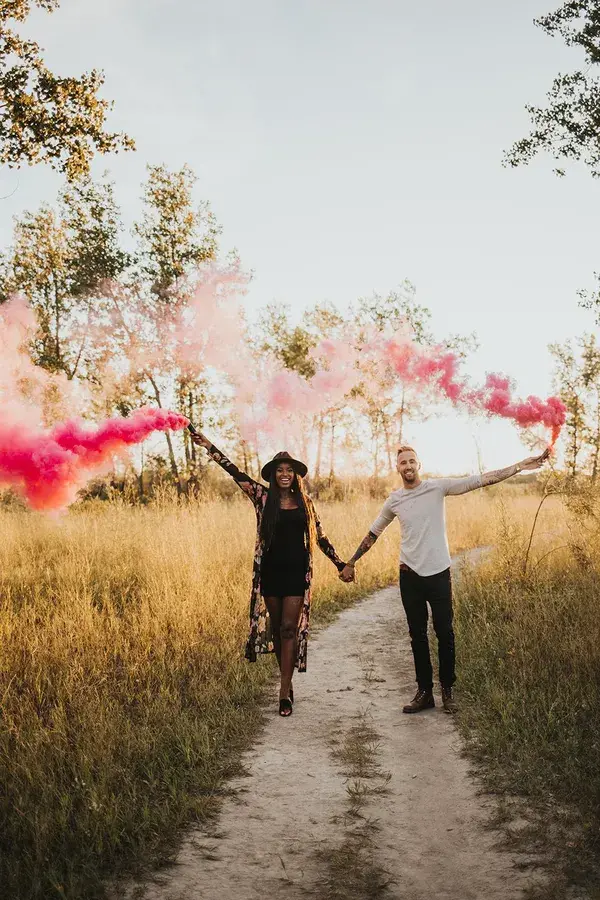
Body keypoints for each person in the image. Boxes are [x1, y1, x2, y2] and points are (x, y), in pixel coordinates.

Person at [340, 444, 550, 714]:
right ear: (397, 468)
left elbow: (480, 480)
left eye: (411, 461)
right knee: (417, 635)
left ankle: (448, 691)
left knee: (445, 633)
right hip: (410, 576)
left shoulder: (437, 488)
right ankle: (425, 692)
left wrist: (519, 466)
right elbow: (373, 533)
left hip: (438, 574)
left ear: (419, 464)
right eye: (402, 462)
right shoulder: (394, 500)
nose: (407, 466)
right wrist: (351, 562)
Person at [190, 431, 350, 717]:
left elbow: (320, 537)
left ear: (296, 475)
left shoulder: (306, 503)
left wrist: (340, 564)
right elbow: (234, 471)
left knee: (289, 628)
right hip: (271, 573)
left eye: (289, 470)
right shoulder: (262, 497)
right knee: (277, 631)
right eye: (280, 470)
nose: (285, 474)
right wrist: (208, 446)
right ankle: (287, 685)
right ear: (273, 475)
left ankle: (283, 692)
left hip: (296, 573)